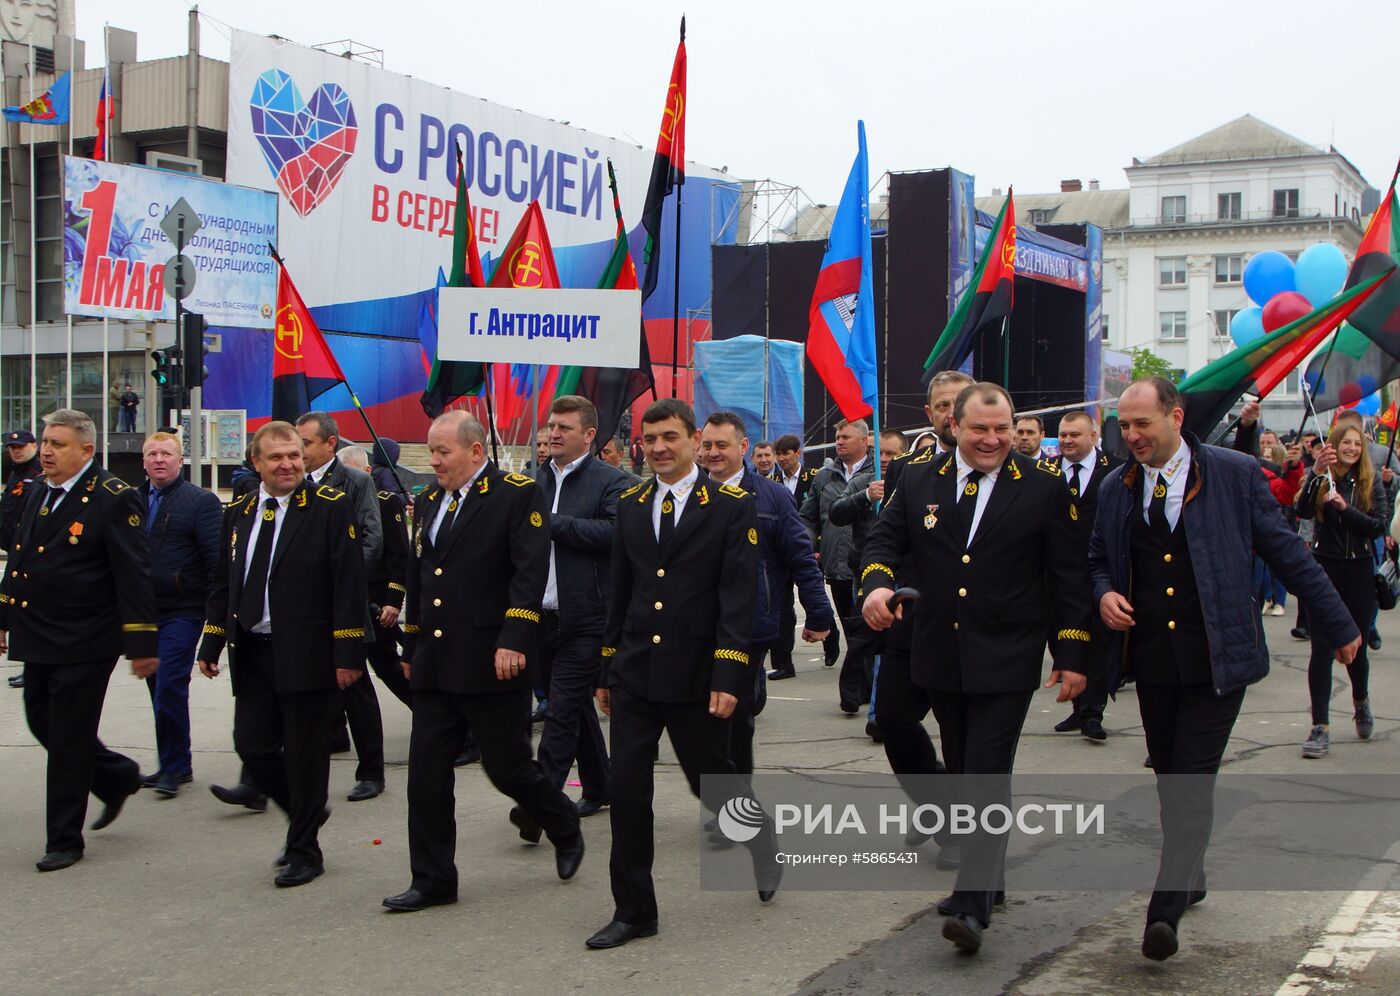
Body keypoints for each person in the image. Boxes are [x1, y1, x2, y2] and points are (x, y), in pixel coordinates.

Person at [1090, 378, 1359, 961]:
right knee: (1171, 779)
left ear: (1176, 417)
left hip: (1218, 659)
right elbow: (1097, 559)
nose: (1132, 436)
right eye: (1125, 426)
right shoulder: (1117, 486)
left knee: (1190, 778)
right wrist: (1105, 591)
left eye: (1142, 424)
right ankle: (1191, 874)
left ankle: (1163, 911)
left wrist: (1340, 625)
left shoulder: (1233, 474)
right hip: (1153, 663)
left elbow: (1287, 554)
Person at [861, 383, 1093, 954]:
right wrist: (877, 586)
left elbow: (1069, 576)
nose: (992, 440)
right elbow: (883, 542)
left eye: (1002, 429)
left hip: (1008, 654)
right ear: (954, 427)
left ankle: (970, 902)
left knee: (987, 771)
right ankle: (990, 881)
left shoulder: (1043, 487)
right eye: (979, 429)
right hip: (940, 652)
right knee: (966, 768)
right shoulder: (919, 479)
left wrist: (1072, 653)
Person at [587, 398, 778, 950]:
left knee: (711, 781)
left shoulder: (731, 506)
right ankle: (634, 910)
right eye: (650, 439)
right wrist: (607, 666)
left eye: (670, 437)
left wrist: (728, 674)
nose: (659, 448)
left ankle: (759, 839)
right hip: (635, 671)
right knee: (627, 791)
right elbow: (620, 590)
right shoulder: (630, 503)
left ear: (695, 441)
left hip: (697, 674)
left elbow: (737, 596)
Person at [385, 410, 582, 913]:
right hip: (435, 661)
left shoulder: (516, 494)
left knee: (507, 768)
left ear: (475, 451)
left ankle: (561, 821)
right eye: (431, 451)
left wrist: (514, 639)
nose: (434, 461)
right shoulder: (430, 499)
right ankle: (433, 879)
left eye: (442, 452)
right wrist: (410, 646)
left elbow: (528, 572)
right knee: (426, 775)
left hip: (492, 659)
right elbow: (419, 575)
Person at [198, 421, 368, 888]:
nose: (288, 464)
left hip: (309, 652)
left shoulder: (330, 507)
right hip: (253, 650)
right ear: (256, 463)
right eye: (276, 457)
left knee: (305, 756)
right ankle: (304, 810)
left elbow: (349, 583)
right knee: (251, 745)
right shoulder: (240, 510)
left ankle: (304, 851)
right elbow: (225, 581)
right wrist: (212, 640)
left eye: (294, 455)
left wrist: (348, 653)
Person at [0, 409, 158, 872]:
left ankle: (64, 839)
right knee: (41, 722)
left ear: (87, 450)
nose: (47, 451)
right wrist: (3, 615)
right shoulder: (39, 490)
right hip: (38, 632)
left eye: (58, 444)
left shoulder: (114, 498)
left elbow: (134, 574)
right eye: (46, 442)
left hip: (86, 639)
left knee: (68, 740)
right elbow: (21, 556)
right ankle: (116, 775)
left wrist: (142, 643)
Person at [698, 411, 831, 773]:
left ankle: (735, 797)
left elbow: (801, 557)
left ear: (742, 446)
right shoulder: (689, 494)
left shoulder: (773, 497)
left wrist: (819, 613)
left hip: (749, 625)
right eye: (707, 445)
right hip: (696, 622)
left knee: (735, 713)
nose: (713, 453)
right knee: (703, 715)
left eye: (722, 445)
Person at [534, 396, 628, 819]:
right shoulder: (533, 481)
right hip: (540, 616)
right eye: (552, 425)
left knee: (561, 709)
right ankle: (600, 784)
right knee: (573, 706)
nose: (554, 433)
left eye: (564, 427)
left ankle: (541, 802)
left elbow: (614, 534)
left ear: (589, 435)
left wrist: (550, 524)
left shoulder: (612, 481)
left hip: (588, 616)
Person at [296, 412, 384, 803]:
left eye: (306, 443)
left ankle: (372, 771)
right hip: (300, 608)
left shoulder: (355, 482)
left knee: (354, 686)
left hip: (342, 604)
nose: (298, 451)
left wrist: (340, 584)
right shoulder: (293, 482)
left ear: (330, 444)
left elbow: (372, 539)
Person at [137, 432, 222, 797]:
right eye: (153, 454)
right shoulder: (131, 500)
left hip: (183, 608)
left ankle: (173, 768)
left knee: (170, 682)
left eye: (166, 454)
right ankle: (175, 762)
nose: (159, 460)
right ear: (144, 461)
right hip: (143, 610)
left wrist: (216, 616)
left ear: (180, 460)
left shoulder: (201, 502)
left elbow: (216, 560)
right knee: (157, 685)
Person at [1294, 423, 1385, 758]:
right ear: (1333, 445)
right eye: (1345, 442)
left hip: (1359, 569)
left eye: (1356, 444)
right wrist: (1315, 473)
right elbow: (1302, 511)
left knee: (1355, 647)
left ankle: (1361, 701)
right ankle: (1320, 727)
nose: (1351, 448)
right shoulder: (1322, 477)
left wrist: (1346, 509)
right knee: (1321, 649)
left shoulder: (1370, 481)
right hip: (1325, 569)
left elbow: (1377, 526)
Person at [1047, 410, 1122, 742]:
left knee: (1097, 643)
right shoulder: (1046, 472)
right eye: (1063, 435)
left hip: (1098, 571)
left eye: (1074, 435)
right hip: (1057, 574)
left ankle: (1093, 713)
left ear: (1093, 436)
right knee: (1061, 639)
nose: (1067, 441)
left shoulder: (1117, 470)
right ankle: (1079, 708)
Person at [825, 429, 908, 724]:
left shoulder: (914, 480)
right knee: (864, 640)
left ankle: (878, 708)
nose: (884, 459)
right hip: (865, 574)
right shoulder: (864, 481)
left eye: (891, 453)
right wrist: (865, 496)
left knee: (890, 647)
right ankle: (859, 696)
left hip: (902, 576)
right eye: (880, 453)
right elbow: (836, 513)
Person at [339, 446, 413, 710]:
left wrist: (393, 600)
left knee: (385, 662)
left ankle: (426, 711)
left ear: (367, 471)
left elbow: (399, 555)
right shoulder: (336, 502)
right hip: (349, 596)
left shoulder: (385, 502)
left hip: (377, 596)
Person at [799, 419, 873, 684]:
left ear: (864, 440)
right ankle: (859, 682)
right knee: (851, 627)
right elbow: (808, 517)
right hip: (836, 566)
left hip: (868, 565)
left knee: (867, 629)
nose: (839, 442)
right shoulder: (824, 476)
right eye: (838, 437)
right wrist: (807, 544)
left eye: (845, 437)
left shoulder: (879, 471)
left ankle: (864, 684)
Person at [767, 433, 818, 678]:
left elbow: (819, 514)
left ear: (798, 453)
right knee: (783, 609)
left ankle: (830, 639)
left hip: (808, 549)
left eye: (785, 453)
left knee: (812, 598)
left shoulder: (814, 477)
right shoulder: (771, 481)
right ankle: (783, 663)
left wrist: (817, 545)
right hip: (780, 553)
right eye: (778, 454)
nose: (781, 459)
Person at [2, 427, 42, 688]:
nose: (16, 452)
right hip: (14, 552)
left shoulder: (38, 474)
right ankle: (29, 664)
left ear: (34, 447)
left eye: (20, 447)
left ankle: (33, 667)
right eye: (12, 448)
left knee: (25, 609)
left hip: (29, 554)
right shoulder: (16, 473)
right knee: (10, 603)